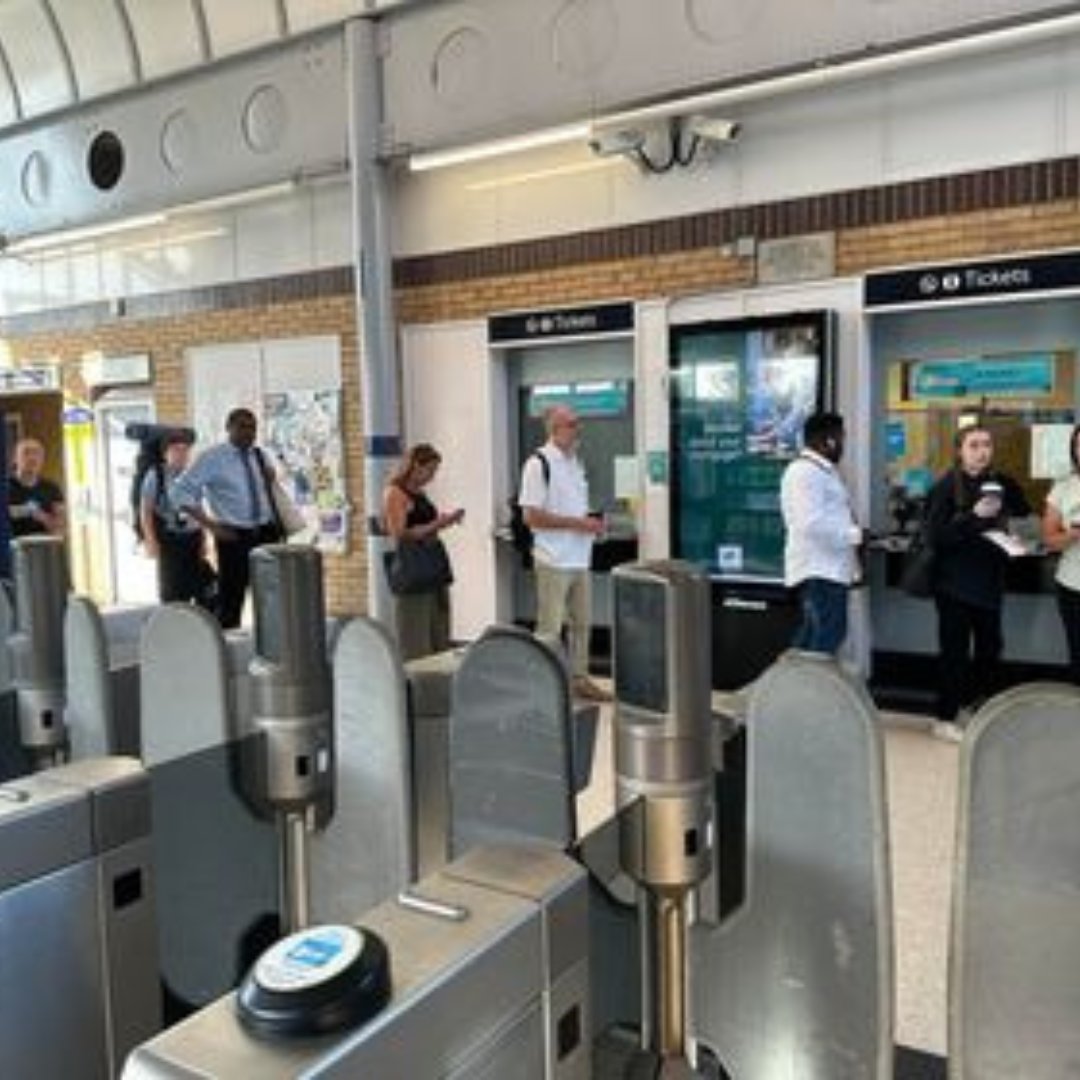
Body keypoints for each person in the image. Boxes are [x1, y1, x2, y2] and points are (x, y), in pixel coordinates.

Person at [926, 424, 1030, 741]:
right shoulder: (946, 486)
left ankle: (971, 706)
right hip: (954, 584)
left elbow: (1022, 515)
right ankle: (944, 718)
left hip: (989, 582)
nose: (982, 451)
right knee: (954, 653)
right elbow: (936, 537)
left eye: (987, 444)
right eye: (974, 445)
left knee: (990, 650)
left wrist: (1015, 535)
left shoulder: (999, 483)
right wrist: (972, 516)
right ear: (960, 451)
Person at [519, 405, 609, 702]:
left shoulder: (575, 463)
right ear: (554, 428)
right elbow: (531, 517)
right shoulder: (538, 463)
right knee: (550, 627)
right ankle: (541, 686)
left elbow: (574, 508)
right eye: (572, 424)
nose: (578, 428)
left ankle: (579, 679)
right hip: (553, 559)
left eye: (578, 423)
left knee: (582, 625)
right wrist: (577, 524)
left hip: (579, 558)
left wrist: (592, 525)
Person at [170, 408, 281, 630]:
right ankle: (228, 646)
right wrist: (211, 526)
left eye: (253, 427)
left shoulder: (259, 455)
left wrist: (270, 479)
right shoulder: (213, 458)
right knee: (232, 599)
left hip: (266, 533)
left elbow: (266, 492)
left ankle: (268, 642)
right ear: (228, 428)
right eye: (242, 427)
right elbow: (179, 493)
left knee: (270, 597)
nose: (249, 432)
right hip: (234, 536)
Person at [779, 412, 863, 655]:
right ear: (829, 441)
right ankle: (800, 680)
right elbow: (810, 524)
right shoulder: (805, 473)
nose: (844, 446)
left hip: (830, 571)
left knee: (812, 640)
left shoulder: (822, 471)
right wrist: (855, 535)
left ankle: (795, 678)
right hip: (820, 572)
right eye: (842, 438)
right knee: (823, 642)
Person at [382, 443, 462, 661]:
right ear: (415, 466)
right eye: (430, 470)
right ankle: (418, 679)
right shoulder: (395, 493)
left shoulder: (420, 494)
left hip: (433, 566)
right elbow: (399, 533)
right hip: (414, 569)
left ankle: (437, 675)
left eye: (435, 471)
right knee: (416, 637)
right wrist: (437, 524)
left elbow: (424, 526)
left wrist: (444, 522)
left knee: (439, 630)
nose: (433, 476)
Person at [140, 430, 213, 610]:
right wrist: (150, 540)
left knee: (200, 589)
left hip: (193, 538)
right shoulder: (156, 475)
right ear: (165, 453)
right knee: (172, 591)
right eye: (176, 450)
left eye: (185, 450)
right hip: (170, 541)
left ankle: (197, 623)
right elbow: (146, 510)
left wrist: (204, 539)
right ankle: (173, 622)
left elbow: (199, 508)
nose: (181, 454)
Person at [1041, 422, 1080, 683]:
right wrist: (1073, 534)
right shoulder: (1063, 487)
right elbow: (1049, 540)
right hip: (1072, 586)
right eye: (1078, 445)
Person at [8, 437, 65, 539]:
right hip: (10, 545)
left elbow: (59, 528)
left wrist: (41, 516)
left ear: (42, 460)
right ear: (15, 459)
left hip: (43, 545)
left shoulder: (52, 489)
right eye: (26, 453)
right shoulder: (5, 487)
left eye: (37, 453)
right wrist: (19, 511)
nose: (32, 458)